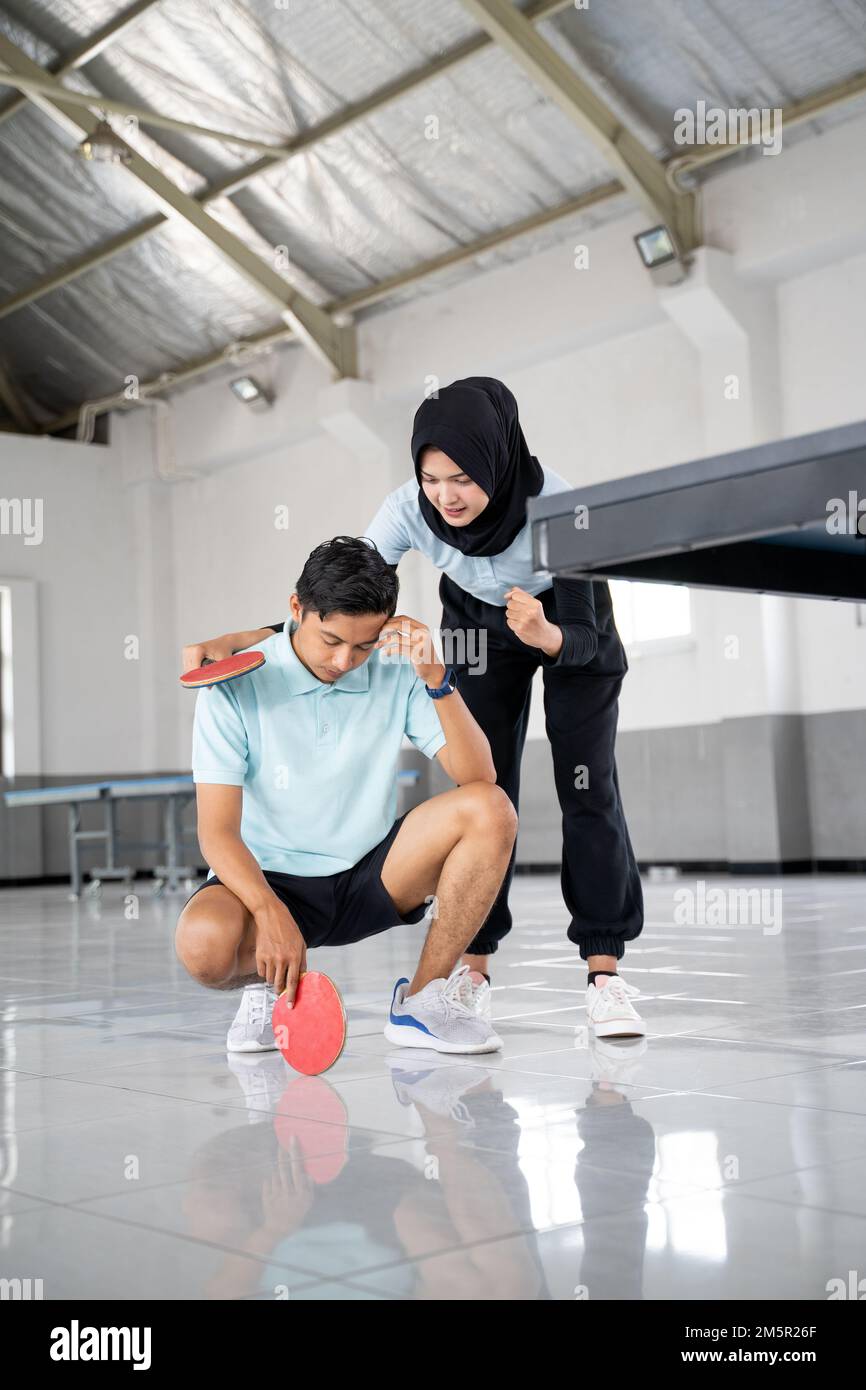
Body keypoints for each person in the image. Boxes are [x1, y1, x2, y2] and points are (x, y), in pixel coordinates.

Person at [182, 379, 645, 1039]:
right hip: (477, 625)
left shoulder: (561, 507)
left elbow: (581, 637)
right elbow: (336, 601)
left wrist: (545, 636)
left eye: (461, 478)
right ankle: (472, 971)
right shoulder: (406, 510)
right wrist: (245, 639)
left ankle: (605, 972)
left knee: (588, 784)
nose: (446, 496)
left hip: (568, 622)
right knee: (491, 784)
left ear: (496, 462)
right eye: (431, 478)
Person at [176, 536, 516, 1056]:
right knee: (203, 944)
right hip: (272, 881)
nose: (344, 660)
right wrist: (269, 913)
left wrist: (436, 678)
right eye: (331, 640)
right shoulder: (234, 681)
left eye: (362, 645)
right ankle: (265, 987)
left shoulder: (395, 666)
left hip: (371, 876)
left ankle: (422, 1002)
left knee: (491, 808)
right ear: (296, 609)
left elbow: (479, 775)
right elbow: (216, 832)